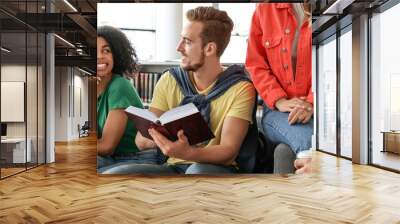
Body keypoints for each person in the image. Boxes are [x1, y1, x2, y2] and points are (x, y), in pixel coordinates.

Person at [101, 6, 256, 175]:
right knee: (115, 175)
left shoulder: (241, 88)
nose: (179, 47)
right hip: (172, 166)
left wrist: (189, 153)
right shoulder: (170, 80)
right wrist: (154, 138)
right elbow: (142, 140)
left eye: (187, 42)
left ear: (209, 49)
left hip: (216, 168)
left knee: (196, 172)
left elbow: (228, 151)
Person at [245, 3, 313, 174]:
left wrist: (311, 103)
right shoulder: (264, 10)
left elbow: (334, 60)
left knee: (284, 151)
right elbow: (256, 65)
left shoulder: (329, 8)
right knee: (303, 140)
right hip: (277, 111)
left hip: (322, 108)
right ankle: (309, 159)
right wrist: (280, 100)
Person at [97, 26, 159, 171]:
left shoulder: (119, 86)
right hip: (113, 157)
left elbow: (107, 146)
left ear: (116, 55)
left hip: (136, 157)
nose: (100, 56)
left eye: (106, 50)